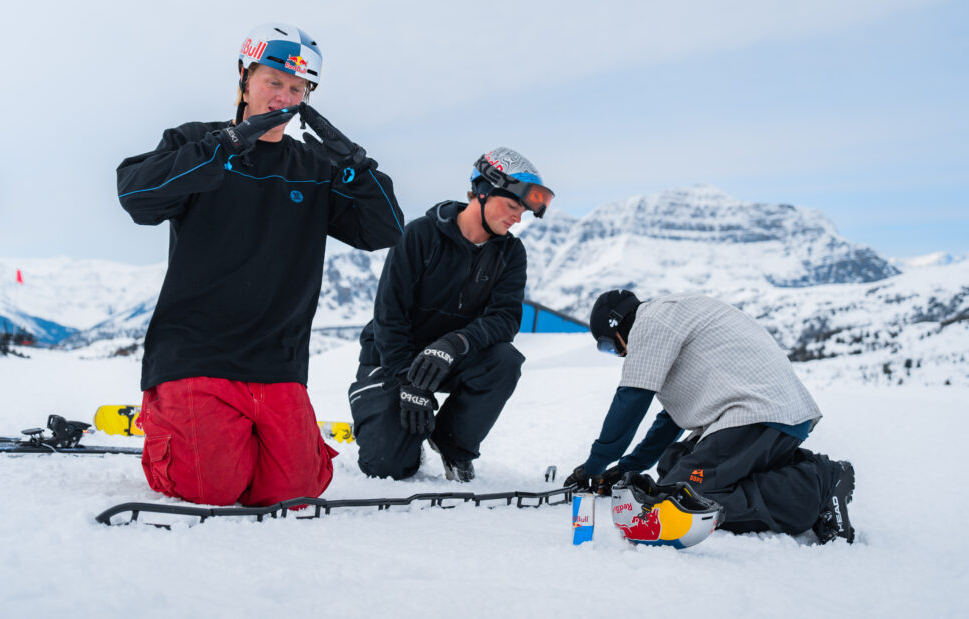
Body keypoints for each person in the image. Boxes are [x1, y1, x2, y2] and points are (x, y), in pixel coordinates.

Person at [116, 22, 405, 507]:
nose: (283, 96)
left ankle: (230, 442)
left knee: (295, 492)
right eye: (273, 81)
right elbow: (137, 196)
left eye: (297, 89)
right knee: (212, 488)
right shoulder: (196, 142)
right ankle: (171, 431)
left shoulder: (316, 168)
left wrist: (355, 164)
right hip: (195, 354)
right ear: (244, 79)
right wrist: (224, 145)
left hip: (277, 360)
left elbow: (384, 230)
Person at [565, 290, 856, 544]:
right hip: (772, 414)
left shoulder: (649, 322)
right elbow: (670, 421)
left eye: (609, 346)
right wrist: (627, 466)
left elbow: (630, 401)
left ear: (618, 326)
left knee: (684, 499)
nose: (618, 354)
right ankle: (809, 473)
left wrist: (594, 465)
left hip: (755, 411)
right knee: (674, 466)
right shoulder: (671, 315)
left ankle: (818, 485)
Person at [349, 148, 554, 482]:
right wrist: (406, 379)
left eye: (523, 211)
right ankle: (387, 418)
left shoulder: (510, 252)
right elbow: (390, 315)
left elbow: (505, 319)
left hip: (449, 359)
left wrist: (455, 344)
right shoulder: (419, 235)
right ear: (483, 192)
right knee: (388, 466)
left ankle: (452, 443)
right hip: (392, 358)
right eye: (513, 206)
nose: (518, 218)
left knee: (504, 361)